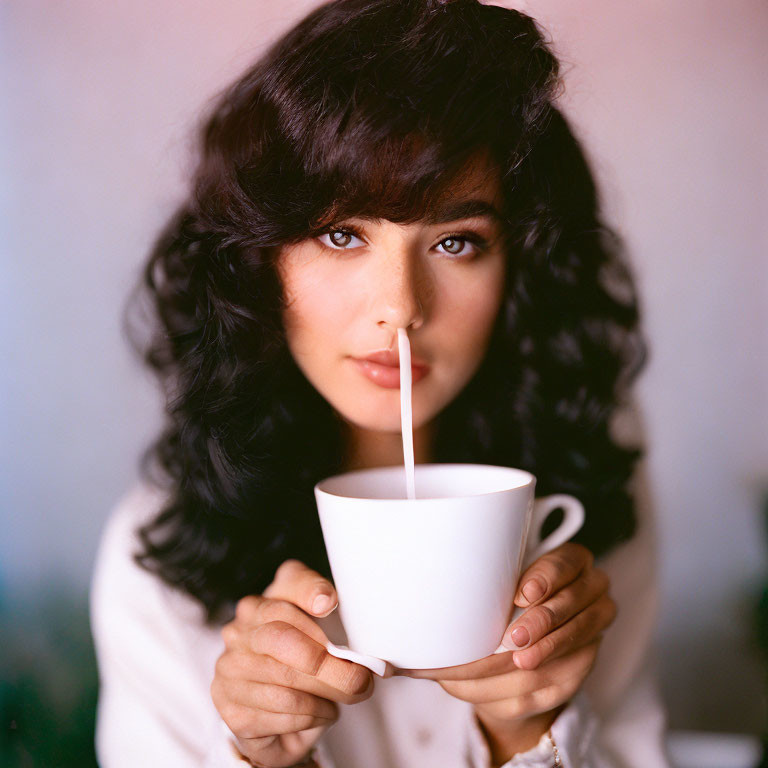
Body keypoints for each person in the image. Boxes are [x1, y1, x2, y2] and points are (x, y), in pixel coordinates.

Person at [90, 0, 670, 765]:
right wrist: (260, 757)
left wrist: (529, 734)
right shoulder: (156, 557)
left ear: (521, 270)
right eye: (341, 233)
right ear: (257, 259)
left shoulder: (592, 515)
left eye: (457, 242)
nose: (400, 308)